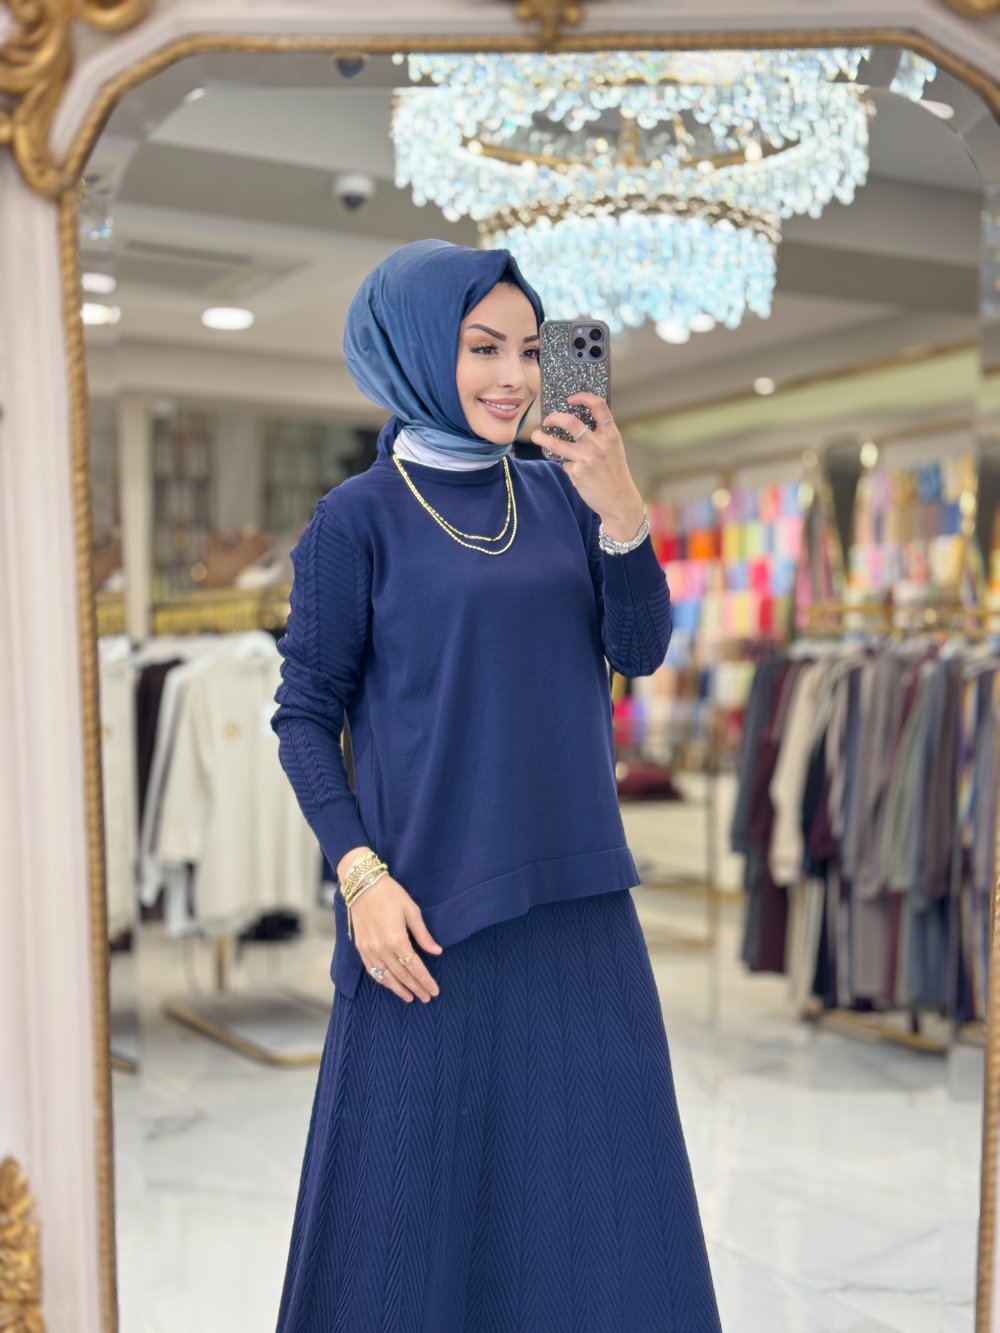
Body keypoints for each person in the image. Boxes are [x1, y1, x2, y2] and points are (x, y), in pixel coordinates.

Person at [271, 238, 722, 1332]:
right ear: (420, 350)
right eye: (482, 348)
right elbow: (303, 715)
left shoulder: (561, 496)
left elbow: (639, 648)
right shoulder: (355, 520)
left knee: (604, 1226)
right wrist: (362, 877)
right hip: (426, 919)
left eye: (529, 349)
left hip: (580, 912)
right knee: (403, 1240)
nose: (514, 377)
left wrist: (622, 511)